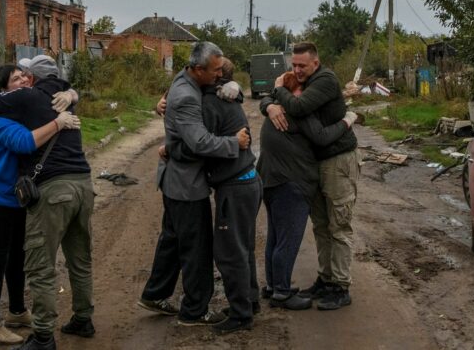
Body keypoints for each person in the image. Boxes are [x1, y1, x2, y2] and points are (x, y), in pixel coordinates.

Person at [0, 55, 94, 350]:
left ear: (32, 78)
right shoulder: (65, 98)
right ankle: (83, 319)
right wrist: (69, 99)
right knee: (79, 259)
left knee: (41, 264)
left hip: (54, 188)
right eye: (16, 78)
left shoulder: (27, 98)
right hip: (84, 183)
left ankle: (43, 337)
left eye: (24, 76)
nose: (22, 81)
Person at [137, 42, 250, 327]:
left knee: (172, 241)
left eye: (222, 71)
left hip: (175, 181)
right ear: (198, 69)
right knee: (196, 248)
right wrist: (233, 143)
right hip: (186, 185)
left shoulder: (183, 77)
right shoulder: (188, 96)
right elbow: (199, 142)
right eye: (215, 72)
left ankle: (155, 293)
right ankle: (195, 310)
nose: (218, 75)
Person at [163, 57, 261, 334]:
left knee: (229, 254)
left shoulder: (208, 104)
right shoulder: (225, 98)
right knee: (243, 248)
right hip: (247, 182)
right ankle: (250, 302)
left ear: (212, 77)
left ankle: (241, 315)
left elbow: (198, 146)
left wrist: (170, 149)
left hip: (235, 186)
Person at [263, 42, 360, 310]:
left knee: (339, 224)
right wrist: (269, 104)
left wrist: (279, 91)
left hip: (338, 160)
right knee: (320, 224)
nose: (297, 69)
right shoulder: (302, 82)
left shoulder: (326, 79)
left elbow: (299, 106)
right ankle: (325, 278)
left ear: (315, 63)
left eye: (302, 65)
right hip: (318, 163)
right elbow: (281, 102)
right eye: (293, 65)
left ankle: (340, 286)